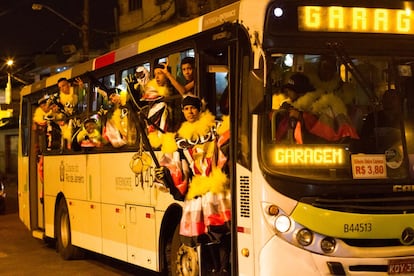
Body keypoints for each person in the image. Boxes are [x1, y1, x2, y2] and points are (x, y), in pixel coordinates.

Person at [157, 95, 231, 273]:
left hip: (216, 188)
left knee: (221, 231)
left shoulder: (216, 127)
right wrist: (166, 174)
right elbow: (175, 163)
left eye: (193, 108)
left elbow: (227, 145)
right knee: (204, 235)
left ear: (199, 109)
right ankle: (213, 269)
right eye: (186, 109)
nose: (190, 112)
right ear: (182, 111)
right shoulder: (178, 137)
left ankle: (223, 268)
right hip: (197, 189)